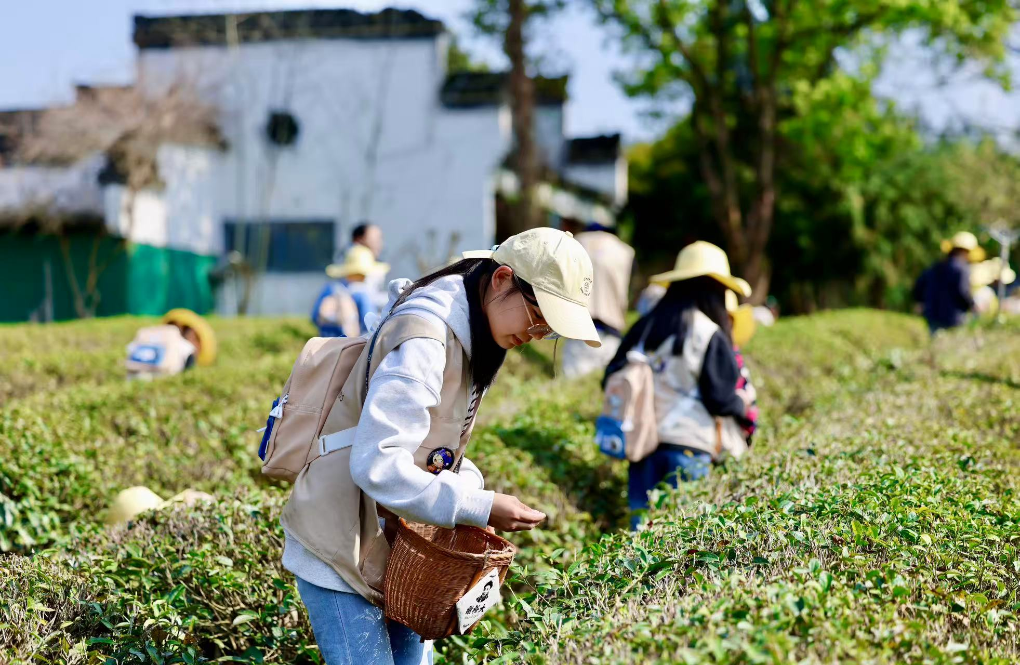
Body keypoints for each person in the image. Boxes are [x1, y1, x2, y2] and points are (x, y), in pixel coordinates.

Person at [280, 228, 601, 665]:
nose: (538, 332)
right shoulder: (427, 339)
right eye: (538, 314)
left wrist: (471, 488)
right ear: (502, 279)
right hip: (339, 539)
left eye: (550, 330)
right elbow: (378, 464)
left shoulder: (476, 329)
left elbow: (436, 448)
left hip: (393, 541)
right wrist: (479, 506)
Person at [604, 241, 753, 530]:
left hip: (642, 446)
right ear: (716, 289)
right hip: (690, 448)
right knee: (682, 541)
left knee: (640, 539)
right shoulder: (709, 333)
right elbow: (719, 400)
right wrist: (742, 403)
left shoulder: (644, 326)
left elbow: (612, 376)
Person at [562, 223, 635, 379]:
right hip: (611, 329)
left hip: (577, 325)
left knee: (571, 382)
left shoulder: (576, 241)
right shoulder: (625, 251)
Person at [913, 231, 984, 334]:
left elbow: (919, 285)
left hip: (932, 314)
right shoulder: (963, 269)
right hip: (953, 318)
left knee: (936, 343)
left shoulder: (936, 266)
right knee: (951, 346)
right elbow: (963, 291)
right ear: (966, 252)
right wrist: (973, 305)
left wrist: (920, 301)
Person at [312, 245, 389, 337]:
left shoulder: (330, 288)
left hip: (327, 343)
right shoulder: (362, 295)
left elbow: (314, 317)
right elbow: (370, 325)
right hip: (350, 344)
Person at [351, 222, 389, 309]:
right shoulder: (348, 263)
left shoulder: (378, 266)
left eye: (380, 239)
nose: (379, 244)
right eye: (375, 239)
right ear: (359, 240)